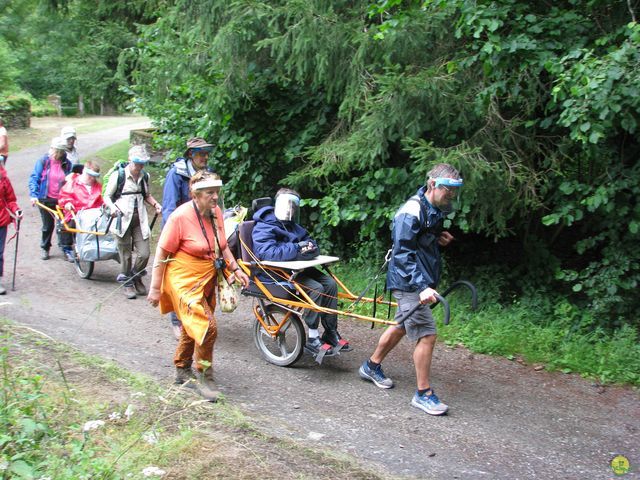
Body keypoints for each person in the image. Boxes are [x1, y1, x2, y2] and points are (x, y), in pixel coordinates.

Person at [358, 163, 463, 416]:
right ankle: (423, 394)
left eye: (453, 195)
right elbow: (403, 255)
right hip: (408, 281)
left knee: (402, 324)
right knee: (427, 334)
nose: (450, 198)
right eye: (447, 193)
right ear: (432, 185)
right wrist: (421, 287)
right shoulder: (411, 211)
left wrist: (438, 238)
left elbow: (421, 239)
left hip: (419, 280)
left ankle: (371, 367)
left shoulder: (432, 208)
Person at [147, 170, 249, 401]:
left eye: (217, 193)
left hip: (207, 277)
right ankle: (204, 376)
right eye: (210, 193)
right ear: (196, 194)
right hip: (183, 280)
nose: (215, 197)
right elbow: (162, 252)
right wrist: (155, 288)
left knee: (192, 327)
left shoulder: (216, 213)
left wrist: (236, 269)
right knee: (207, 327)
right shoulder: (180, 217)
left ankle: (182, 369)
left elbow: (222, 246)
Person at [251, 188, 352, 359]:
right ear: (278, 205)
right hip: (274, 274)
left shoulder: (293, 226)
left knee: (330, 284)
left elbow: (312, 245)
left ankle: (330, 331)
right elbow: (268, 253)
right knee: (316, 287)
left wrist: (305, 249)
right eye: (287, 205)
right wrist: (298, 248)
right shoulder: (264, 226)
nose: (290, 210)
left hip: (295, 270)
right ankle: (313, 338)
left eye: (293, 206)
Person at [161, 137, 214, 339]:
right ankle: (177, 321)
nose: (205, 156)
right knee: (180, 278)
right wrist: (173, 239)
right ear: (191, 155)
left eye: (206, 153)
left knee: (201, 275)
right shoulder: (177, 175)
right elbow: (169, 208)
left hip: (201, 234)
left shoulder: (206, 175)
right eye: (201, 153)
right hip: (181, 234)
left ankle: (197, 314)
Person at [103, 145, 162, 299]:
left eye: (142, 164)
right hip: (122, 221)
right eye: (137, 163)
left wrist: (156, 204)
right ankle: (128, 283)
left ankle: (135, 276)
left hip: (139, 220)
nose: (140, 167)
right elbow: (107, 196)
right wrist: (112, 207)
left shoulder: (145, 176)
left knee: (144, 253)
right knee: (126, 255)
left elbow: (146, 195)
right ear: (130, 161)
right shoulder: (119, 176)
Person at [28, 137, 73, 260]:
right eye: (53, 149)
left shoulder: (67, 164)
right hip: (45, 199)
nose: (53, 153)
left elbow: (71, 182)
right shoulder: (43, 161)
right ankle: (45, 247)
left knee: (63, 224)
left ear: (61, 152)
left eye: (57, 151)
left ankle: (66, 248)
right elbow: (34, 178)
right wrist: (34, 195)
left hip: (61, 200)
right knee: (48, 226)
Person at [57, 160, 104, 262]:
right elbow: (64, 196)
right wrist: (68, 203)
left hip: (93, 215)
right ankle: (67, 248)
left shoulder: (98, 187)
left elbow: (103, 200)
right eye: (89, 175)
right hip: (76, 212)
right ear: (84, 172)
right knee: (68, 226)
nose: (92, 179)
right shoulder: (72, 184)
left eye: (94, 176)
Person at [0, 161, 22, 293]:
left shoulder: (3, 179)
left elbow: (11, 199)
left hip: (1, 221)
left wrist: (16, 210)